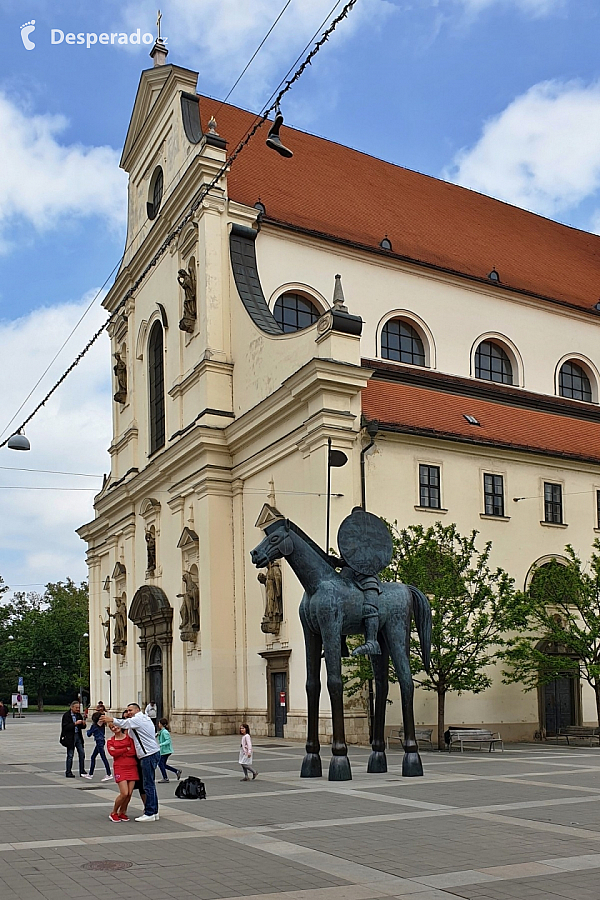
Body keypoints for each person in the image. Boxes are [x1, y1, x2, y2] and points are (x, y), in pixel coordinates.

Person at [100, 703, 160, 822]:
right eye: (127, 710)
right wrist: (125, 749)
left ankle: (150, 813)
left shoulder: (137, 719)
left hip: (148, 754)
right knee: (149, 785)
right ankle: (154, 811)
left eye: (130, 710)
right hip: (151, 753)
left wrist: (111, 719)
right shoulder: (144, 718)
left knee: (148, 785)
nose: (128, 712)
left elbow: (125, 724)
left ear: (137, 710)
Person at [106, 722, 138, 822]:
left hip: (132, 766)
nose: (115, 728)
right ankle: (114, 812)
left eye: (116, 725)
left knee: (129, 793)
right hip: (120, 767)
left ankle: (123, 812)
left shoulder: (129, 739)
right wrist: (125, 749)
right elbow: (113, 753)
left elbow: (132, 751)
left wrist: (119, 750)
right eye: (112, 727)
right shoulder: (110, 741)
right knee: (124, 793)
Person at [60, 701, 87, 778]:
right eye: (76, 708)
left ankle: (82, 770)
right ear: (72, 707)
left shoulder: (78, 715)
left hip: (78, 736)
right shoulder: (66, 716)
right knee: (70, 755)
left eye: (79, 708)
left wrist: (83, 724)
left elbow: (82, 727)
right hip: (70, 737)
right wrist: (75, 724)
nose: (78, 709)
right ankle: (68, 771)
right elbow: (65, 727)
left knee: (82, 753)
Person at [83, 712, 112, 781]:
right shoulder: (102, 725)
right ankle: (90, 774)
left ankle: (109, 773)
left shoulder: (95, 726)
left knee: (103, 758)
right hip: (101, 741)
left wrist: (88, 731)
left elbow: (89, 734)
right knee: (93, 757)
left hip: (99, 742)